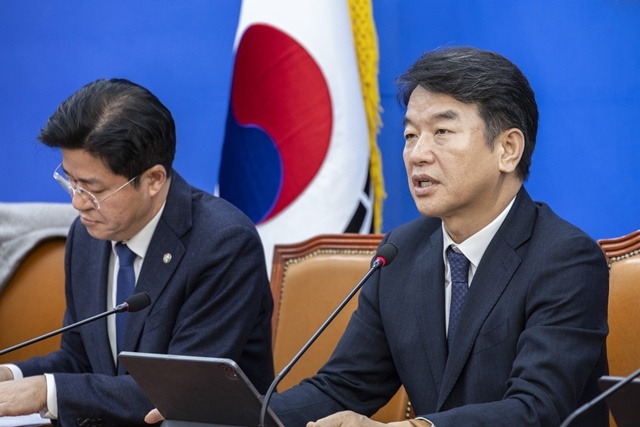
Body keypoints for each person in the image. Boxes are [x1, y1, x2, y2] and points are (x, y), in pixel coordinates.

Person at [145, 46, 609, 426]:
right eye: (409, 136)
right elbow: (343, 387)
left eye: (442, 131)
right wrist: (233, 418)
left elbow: (536, 409)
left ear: (508, 148)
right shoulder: (403, 252)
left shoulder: (564, 259)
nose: (417, 154)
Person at [0, 78, 275, 426]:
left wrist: (45, 391)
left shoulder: (223, 244)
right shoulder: (87, 235)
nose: (77, 203)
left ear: (154, 179)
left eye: (93, 189)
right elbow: (80, 361)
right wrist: (11, 376)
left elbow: (180, 394)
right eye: (70, 181)